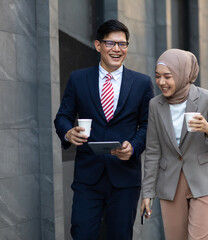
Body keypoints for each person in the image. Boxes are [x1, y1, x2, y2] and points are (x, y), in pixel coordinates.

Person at [54, 19, 154, 240]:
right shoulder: (79, 79)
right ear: (98, 45)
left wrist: (134, 147)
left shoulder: (142, 83)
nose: (117, 49)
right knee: (82, 233)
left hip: (125, 177)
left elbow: (149, 125)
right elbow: (62, 117)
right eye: (111, 43)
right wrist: (68, 133)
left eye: (123, 44)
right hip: (88, 176)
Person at [141, 49, 208, 240]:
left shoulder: (207, 99)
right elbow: (153, 152)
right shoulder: (155, 105)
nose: (161, 82)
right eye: (157, 76)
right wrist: (147, 193)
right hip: (170, 184)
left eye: (167, 76)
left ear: (183, 74)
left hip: (204, 181)